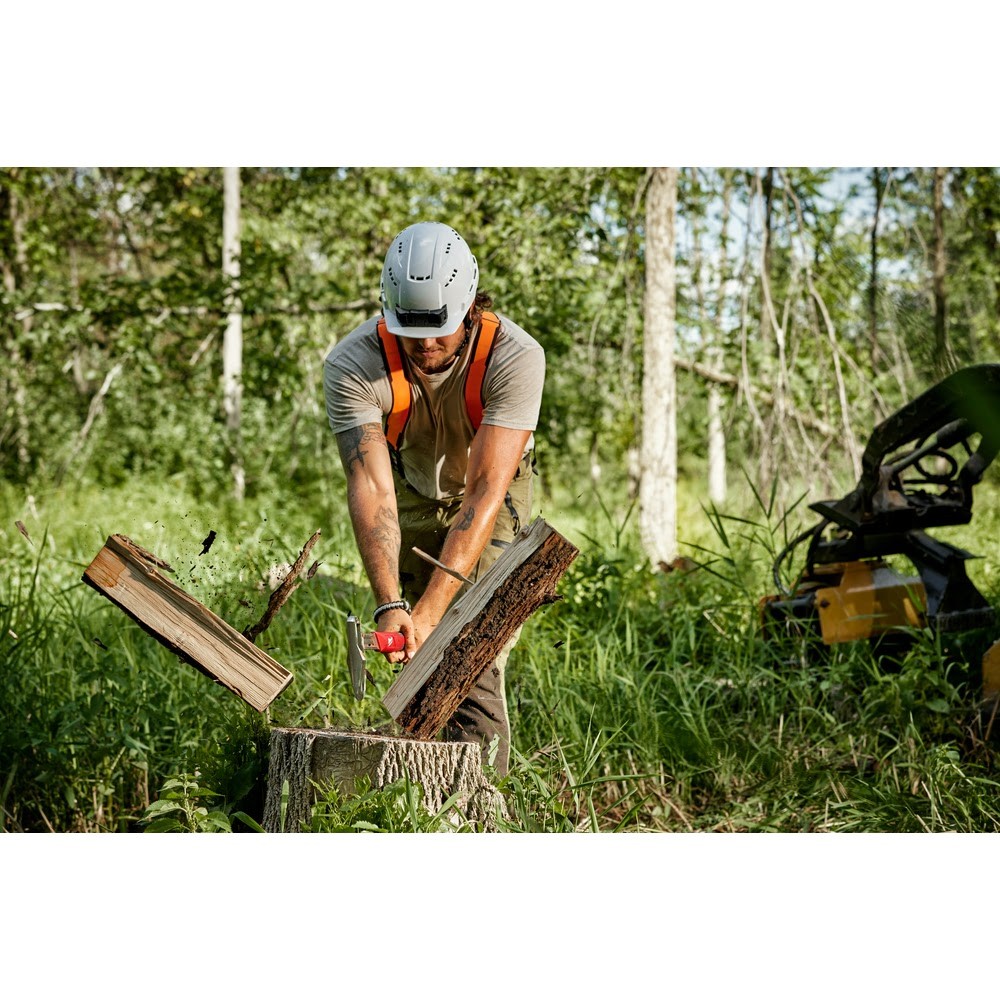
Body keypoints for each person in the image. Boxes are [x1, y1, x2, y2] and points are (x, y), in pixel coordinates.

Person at [323, 221, 545, 777]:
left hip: (493, 492)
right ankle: (416, 786)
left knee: (469, 642)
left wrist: (432, 610)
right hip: (411, 487)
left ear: (468, 305)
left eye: (439, 328)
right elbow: (372, 487)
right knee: (416, 645)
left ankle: (480, 797)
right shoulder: (353, 364)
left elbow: (485, 490)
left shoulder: (515, 357)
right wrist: (392, 605)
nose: (425, 344)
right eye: (411, 329)